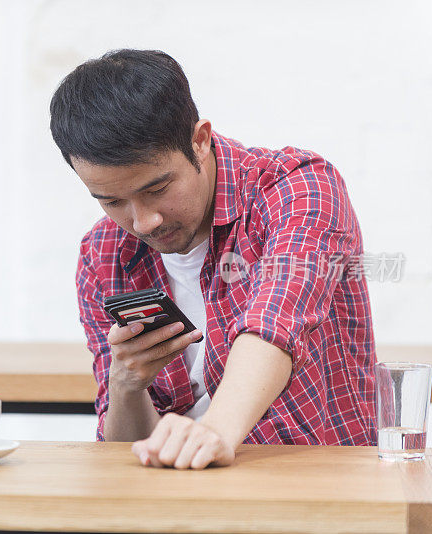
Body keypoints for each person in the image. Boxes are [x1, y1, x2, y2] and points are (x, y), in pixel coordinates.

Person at [49, 49, 376, 470]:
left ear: (199, 140)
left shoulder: (298, 189)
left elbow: (275, 326)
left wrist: (214, 432)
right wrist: (127, 386)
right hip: (174, 501)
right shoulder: (103, 252)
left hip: (316, 491)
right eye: (112, 201)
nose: (144, 222)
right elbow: (127, 456)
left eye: (158, 188)